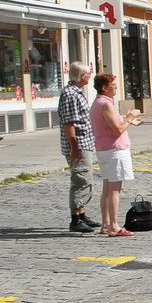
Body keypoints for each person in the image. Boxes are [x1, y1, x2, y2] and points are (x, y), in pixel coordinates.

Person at [91, 72, 142, 236]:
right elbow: (117, 129)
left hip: (104, 149)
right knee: (114, 189)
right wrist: (129, 118)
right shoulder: (105, 104)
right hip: (114, 149)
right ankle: (113, 225)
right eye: (113, 85)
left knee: (107, 188)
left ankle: (106, 224)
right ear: (104, 88)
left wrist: (128, 121)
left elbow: (113, 123)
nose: (117, 88)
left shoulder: (99, 102)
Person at [59, 62, 98, 234]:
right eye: (88, 73)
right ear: (82, 76)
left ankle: (82, 215)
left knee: (85, 178)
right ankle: (75, 219)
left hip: (85, 142)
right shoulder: (70, 94)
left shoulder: (77, 92)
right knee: (81, 180)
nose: (90, 76)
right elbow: (69, 123)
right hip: (79, 144)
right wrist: (74, 147)